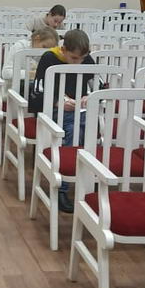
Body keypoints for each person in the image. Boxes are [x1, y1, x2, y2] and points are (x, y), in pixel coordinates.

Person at [28, 29, 94, 213]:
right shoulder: (49, 58)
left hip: (80, 112)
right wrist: (58, 102)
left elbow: (99, 83)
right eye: (74, 58)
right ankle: (65, 187)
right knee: (75, 130)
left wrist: (91, 96)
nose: (78, 63)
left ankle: (84, 182)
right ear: (63, 50)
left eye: (82, 59)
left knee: (86, 128)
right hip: (53, 112)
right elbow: (37, 93)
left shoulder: (87, 60)